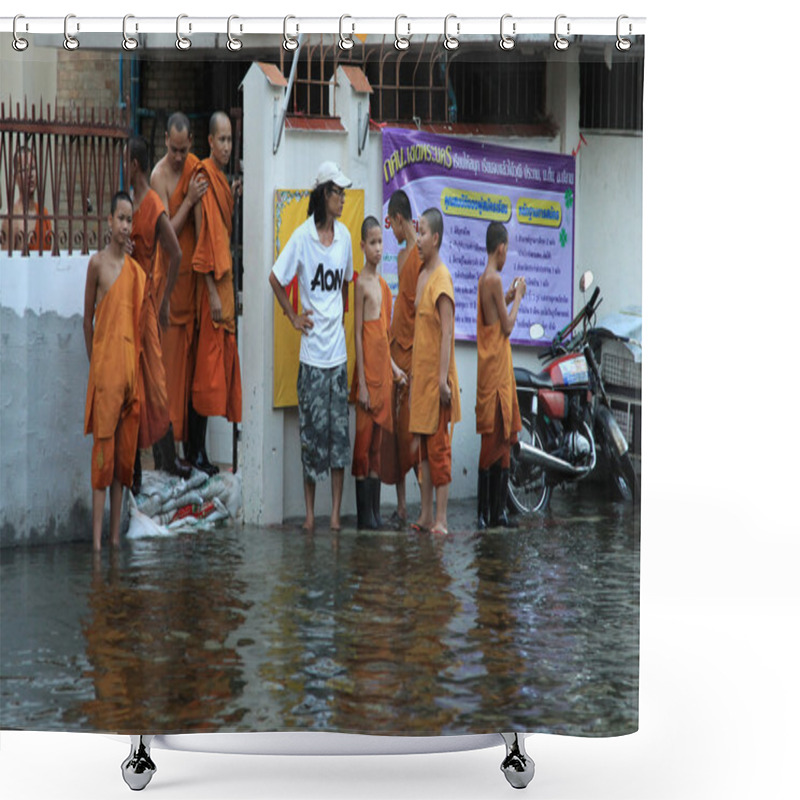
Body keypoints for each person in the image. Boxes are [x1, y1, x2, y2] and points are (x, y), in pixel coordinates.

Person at [269, 161, 354, 533]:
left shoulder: (347, 237)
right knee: (312, 439)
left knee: (339, 440)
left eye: (344, 194)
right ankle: (309, 514)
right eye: (338, 193)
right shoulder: (303, 237)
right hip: (312, 358)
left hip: (338, 357)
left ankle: (334, 515)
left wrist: (337, 315)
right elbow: (276, 277)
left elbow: (346, 282)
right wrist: (293, 316)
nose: (342, 200)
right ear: (324, 195)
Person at [83, 191, 146, 551]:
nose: (125, 226)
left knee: (123, 464)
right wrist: (96, 365)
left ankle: (113, 539)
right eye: (120, 218)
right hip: (106, 378)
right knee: (101, 465)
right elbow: (87, 321)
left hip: (130, 380)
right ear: (108, 221)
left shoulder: (136, 273)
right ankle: (95, 542)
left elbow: (139, 326)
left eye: (129, 220)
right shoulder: (97, 266)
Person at [128, 135, 189, 486]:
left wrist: (164, 299)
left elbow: (176, 253)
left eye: (125, 161)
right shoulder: (127, 204)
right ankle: (134, 466)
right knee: (131, 384)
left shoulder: (150, 203)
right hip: (126, 302)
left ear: (133, 164)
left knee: (155, 382)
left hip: (147, 304)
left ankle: (166, 458)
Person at [150, 112, 207, 457]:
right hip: (168, 287)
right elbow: (166, 232)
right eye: (174, 150)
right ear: (165, 143)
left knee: (190, 377)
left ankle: (190, 451)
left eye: (184, 151)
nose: (179, 158)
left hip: (192, 286)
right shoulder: (159, 177)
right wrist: (188, 200)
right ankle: (165, 456)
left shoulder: (193, 168)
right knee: (168, 377)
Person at [190, 110, 243, 475]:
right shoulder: (204, 179)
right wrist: (210, 291)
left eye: (229, 140)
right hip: (210, 289)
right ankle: (195, 452)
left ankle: (200, 454)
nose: (225, 146)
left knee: (217, 372)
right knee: (205, 374)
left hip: (224, 288)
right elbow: (202, 241)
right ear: (209, 141)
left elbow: (223, 232)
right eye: (220, 140)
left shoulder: (221, 182)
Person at [351, 216, 407, 529]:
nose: (377, 248)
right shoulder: (360, 284)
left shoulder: (384, 286)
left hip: (383, 377)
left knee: (375, 449)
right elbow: (359, 333)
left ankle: (373, 516)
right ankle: (363, 518)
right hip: (366, 379)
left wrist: (396, 369)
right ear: (362, 246)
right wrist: (360, 382)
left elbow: (384, 338)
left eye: (380, 242)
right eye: (371, 243)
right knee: (362, 446)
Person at [408, 208, 461, 535]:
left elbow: (447, 331)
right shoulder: (422, 274)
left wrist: (443, 380)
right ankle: (426, 515)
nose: (418, 238)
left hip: (438, 381)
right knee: (424, 453)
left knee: (439, 451)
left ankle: (441, 519)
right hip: (422, 380)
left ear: (436, 238)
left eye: (423, 232)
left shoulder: (442, 277)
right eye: (418, 231)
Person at [475, 221, 526, 528]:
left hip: (495, 371)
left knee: (502, 438)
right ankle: (486, 513)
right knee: (494, 439)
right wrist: (518, 296)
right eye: (507, 249)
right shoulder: (493, 279)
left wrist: (506, 298)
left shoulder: (487, 279)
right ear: (502, 247)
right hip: (495, 373)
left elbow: (494, 316)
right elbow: (506, 327)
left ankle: (497, 511)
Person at [381, 189, 422, 527]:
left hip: (415, 353)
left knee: (416, 434)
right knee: (397, 434)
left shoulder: (422, 255)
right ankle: (403, 506)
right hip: (397, 349)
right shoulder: (400, 257)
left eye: (391, 225)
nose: (391, 233)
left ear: (398, 219)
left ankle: (425, 510)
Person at [0, 146, 52, 253]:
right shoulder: (11, 218)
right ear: (15, 177)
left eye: (32, 168)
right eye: (24, 169)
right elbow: (6, 264)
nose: (30, 175)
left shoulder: (44, 213)